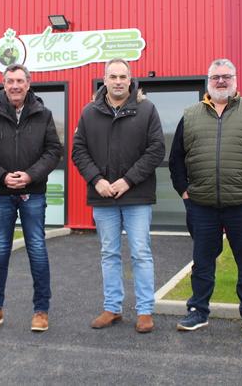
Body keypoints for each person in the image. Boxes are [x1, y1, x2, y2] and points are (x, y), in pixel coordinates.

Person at [169, 58, 242, 336]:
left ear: (235, 80)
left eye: (226, 76)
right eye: (216, 76)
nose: (221, 81)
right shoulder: (191, 114)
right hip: (202, 204)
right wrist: (185, 192)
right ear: (208, 81)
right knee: (202, 262)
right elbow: (176, 159)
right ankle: (198, 311)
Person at [72, 58, 165, 333]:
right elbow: (79, 151)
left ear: (130, 79)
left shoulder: (146, 110)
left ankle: (145, 311)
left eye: (123, 76)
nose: (118, 81)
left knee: (140, 253)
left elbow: (156, 149)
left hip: (137, 195)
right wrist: (96, 180)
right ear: (105, 79)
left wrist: (128, 180)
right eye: (113, 77)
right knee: (108, 253)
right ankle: (112, 308)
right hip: (103, 197)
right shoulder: (89, 113)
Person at [0, 63, 62, 332]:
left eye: (20, 81)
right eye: (10, 81)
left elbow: (53, 151)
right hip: (2, 194)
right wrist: (1, 176)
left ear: (28, 84)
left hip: (33, 193)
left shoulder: (43, 114)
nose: (15, 85)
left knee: (37, 248)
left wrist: (30, 176)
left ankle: (41, 310)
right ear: (4, 84)